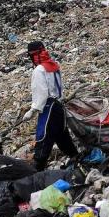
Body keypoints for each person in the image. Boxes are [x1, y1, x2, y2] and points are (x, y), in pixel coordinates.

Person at [26, 40, 78, 170]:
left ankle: (36, 170)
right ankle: (77, 159)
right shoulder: (55, 66)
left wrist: (33, 110)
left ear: (34, 55)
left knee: (44, 138)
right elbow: (60, 88)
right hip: (59, 106)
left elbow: (42, 92)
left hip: (49, 108)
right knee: (62, 136)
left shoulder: (39, 70)